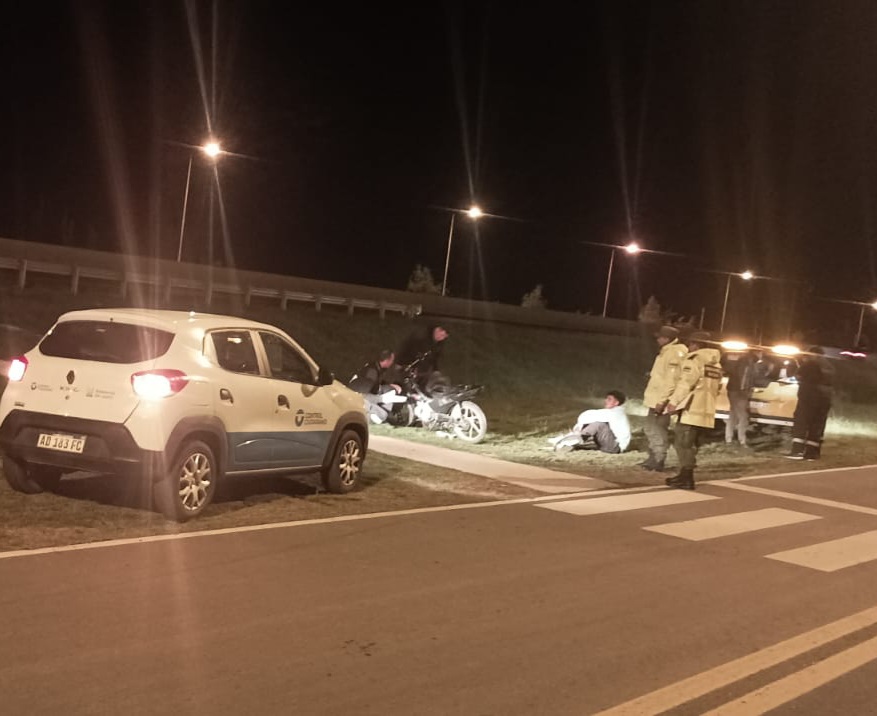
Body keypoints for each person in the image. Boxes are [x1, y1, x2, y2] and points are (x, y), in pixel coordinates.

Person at [664, 331, 723, 490]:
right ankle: (684, 476)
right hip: (705, 411)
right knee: (689, 444)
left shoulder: (695, 360)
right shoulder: (716, 364)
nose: (689, 347)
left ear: (696, 344)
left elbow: (685, 383)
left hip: (691, 409)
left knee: (682, 443)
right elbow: (718, 387)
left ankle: (687, 478)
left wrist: (673, 402)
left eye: (690, 344)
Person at [640, 325, 688, 471]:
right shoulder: (666, 351)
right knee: (650, 428)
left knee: (657, 429)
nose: (658, 339)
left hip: (661, 400)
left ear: (667, 339)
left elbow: (671, 380)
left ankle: (658, 459)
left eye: (660, 337)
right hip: (656, 398)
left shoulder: (674, 353)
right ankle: (653, 457)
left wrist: (663, 401)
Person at [786, 346, 835, 460]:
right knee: (817, 425)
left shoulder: (810, 364)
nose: (806, 356)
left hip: (808, 397)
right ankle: (812, 453)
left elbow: (798, 376)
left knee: (801, 422)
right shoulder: (829, 366)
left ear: (813, 354)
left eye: (807, 354)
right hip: (825, 399)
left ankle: (797, 451)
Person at [548, 390, 631, 454]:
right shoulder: (613, 412)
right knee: (596, 423)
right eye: (606, 398)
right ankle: (570, 441)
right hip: (610, 444)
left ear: (616, 403)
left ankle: (569, 441)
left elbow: (589, 415)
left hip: (615, 448)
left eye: (609, 399)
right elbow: (590, 416)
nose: (605, 401)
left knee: (599, 425)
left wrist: (579, 427)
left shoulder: (617, 412)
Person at [347, 349, 402, 424]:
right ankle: (376, 416)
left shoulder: (375, 367)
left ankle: (379, 415)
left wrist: (389, 385)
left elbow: (376, 385)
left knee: (387, 390)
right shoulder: (372, 371)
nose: (392, 363)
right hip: (359, 400)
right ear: (387, 360)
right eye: (392, 360)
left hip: (359, 397)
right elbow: (366, 392)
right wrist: (382, 398)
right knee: (383, 413)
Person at [396, 323, 449, 389]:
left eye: (444, 337)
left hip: (422, 371)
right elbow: (408, 350)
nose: (441, 338)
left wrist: (436, 369)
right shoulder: (420, 338)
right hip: (409, 367)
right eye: (442, 335)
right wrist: (400, 363)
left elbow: (435, 358)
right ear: (437, 330)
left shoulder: (438, 345)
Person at [721, 347, 755, 447]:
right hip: (739, 391)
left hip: (734, 390)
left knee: (733, 414)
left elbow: (726, 370)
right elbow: (746, 379)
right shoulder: (747, 363)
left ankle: (729, 439)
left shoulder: (739, 362)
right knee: (743, 416)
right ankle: (742, 440)